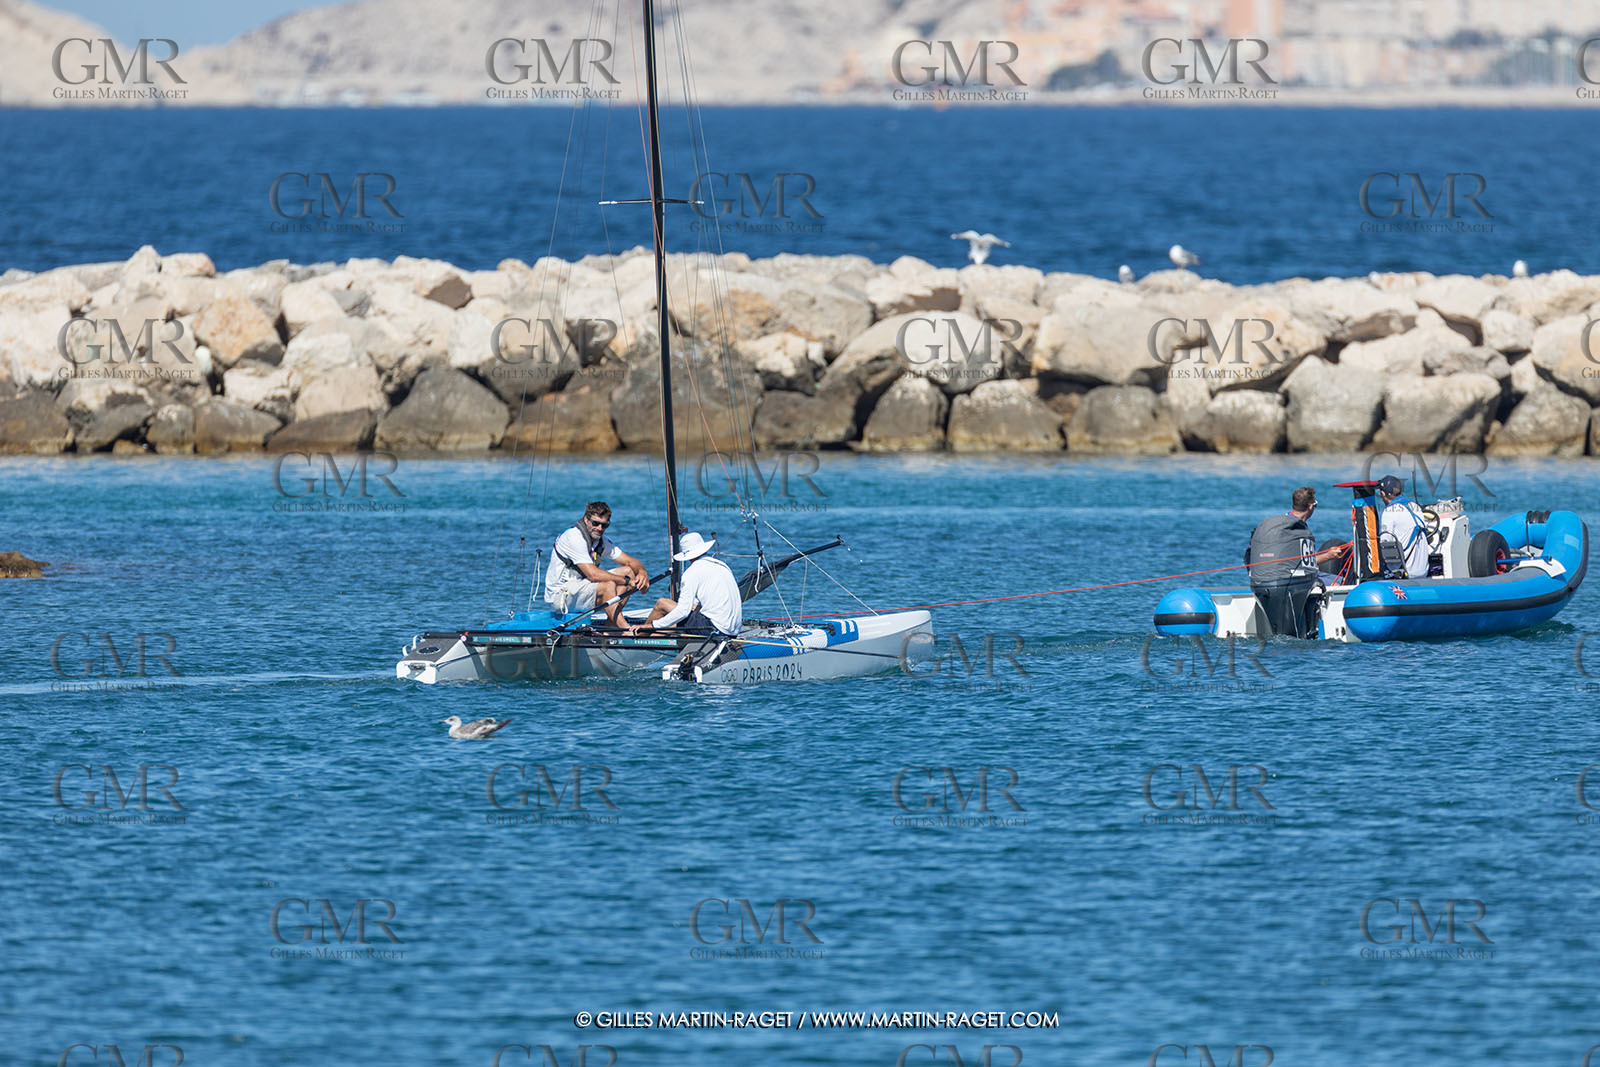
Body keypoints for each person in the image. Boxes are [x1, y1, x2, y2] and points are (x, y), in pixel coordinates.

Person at [1245, 486, 1345, 638]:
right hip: (1292, 582)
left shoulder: (1282, 525)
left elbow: (1296, 562)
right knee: (1340, 583)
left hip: (1266, 581)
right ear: (1311, 506)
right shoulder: (1295, 529)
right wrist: (1328, 556)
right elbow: (1303, 564)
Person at [544, 501, 649, 628]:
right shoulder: (574, 537)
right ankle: (625, 629)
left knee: (629, 571)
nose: (599, 528)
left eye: (604, 525)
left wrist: (642, 573)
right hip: (561, 596)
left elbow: (630, 561)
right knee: (607, 585)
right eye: (595, 523)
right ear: (586, 519)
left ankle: (611, 627)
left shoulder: (600, 541)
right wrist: (626, 582)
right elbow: (593, 575)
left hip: (580, 588)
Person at [627, 531, 742, 638]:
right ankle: (648, 638)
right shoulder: (721, 565)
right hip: (734, 630)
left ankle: (639, 637)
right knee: (678, 617)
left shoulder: (692, 572)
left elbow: (683, 612)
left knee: (662, 604)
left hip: (716, 629)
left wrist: (652, 625)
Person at [1378, 474, 1430, 578]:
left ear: (1382, 493)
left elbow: (1385, 543)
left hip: (1406, 573)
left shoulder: (1389, 511)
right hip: (1423, 571)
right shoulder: (1415, 506)